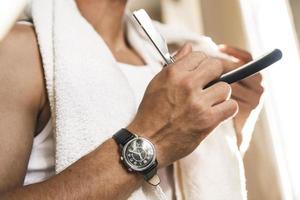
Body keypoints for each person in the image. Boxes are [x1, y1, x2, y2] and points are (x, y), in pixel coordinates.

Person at [0, 0, 263, 199]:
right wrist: (154, 139)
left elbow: (179, 185)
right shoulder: (17, 51)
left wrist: (235, 125)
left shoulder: (165, 50)